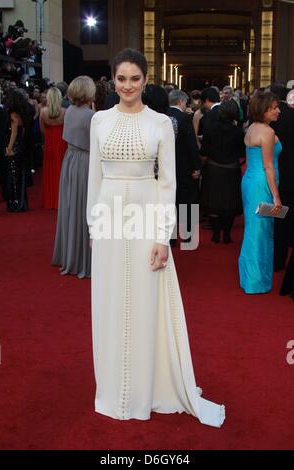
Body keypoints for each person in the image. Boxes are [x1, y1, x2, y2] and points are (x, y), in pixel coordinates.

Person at [87, 48, 225, 427]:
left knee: (146, 300)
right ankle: (114, 388)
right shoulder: (99, 121)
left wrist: (164, 237)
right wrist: (93, 225)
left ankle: (146, 388)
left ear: (145, 80)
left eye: (135, 78)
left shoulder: (161, 123)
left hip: (147, 212)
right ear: (112, 81)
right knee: (110, 301)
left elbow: (168, 183)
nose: (128, 85)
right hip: (110, 213)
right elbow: (94, 179)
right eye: (121, 78)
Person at [52, 76, 95, 279]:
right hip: (85, 163)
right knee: (84, 208)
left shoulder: (69, 111)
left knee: (72, 207)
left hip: (70, 160)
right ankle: (83, 259)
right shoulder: (90, 115)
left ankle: (69, 254)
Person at [239, 92, 282, 294]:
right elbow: (268, 166)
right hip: (262, 184)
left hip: (250, 181)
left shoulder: (251, 128)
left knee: (254, 228)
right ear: (264, 110)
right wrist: (276, 196)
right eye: (275, 107)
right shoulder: (266, 132)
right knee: (260, 231)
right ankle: (255, 281)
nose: (278, 110)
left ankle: (250, 277)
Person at [200, 99, 245, 243]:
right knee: (230, 204)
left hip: (213, 169)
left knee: (213, 203)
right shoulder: (238, 132)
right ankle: (226, 234)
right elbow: (242, 153)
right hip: (231, 170)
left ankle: (215, 233)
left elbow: (204, 150)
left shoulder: (210, 129)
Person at [167, 89, 202, 245]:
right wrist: (196, 167)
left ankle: (171, 237)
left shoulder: (161, 116)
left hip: (167, 166)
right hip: (184, 166)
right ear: (181, 102)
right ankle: (188, 236)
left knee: (170, 201)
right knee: (188, 201)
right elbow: (191, 145)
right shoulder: (184, 118)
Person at [270, 83, 294, 272]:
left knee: (279, 218)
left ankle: (277, 260)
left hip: (276, 175)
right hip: (289, 175)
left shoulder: (273, 118)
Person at [5, 90, 34, 212]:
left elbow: (14, 132)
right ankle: (22, 203)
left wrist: (9, 148)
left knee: (13, 176)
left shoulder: (13, 115)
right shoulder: (25, 113)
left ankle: (16, 203)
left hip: (15, 147)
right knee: (20, 175)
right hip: (23, 146)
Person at [40, 87, 67, 209]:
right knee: (61, 170)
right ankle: (62, 199)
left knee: (50, 171)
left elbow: (42, 130)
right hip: (61, 143)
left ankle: (50, 200)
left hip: (49, 143)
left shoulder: (43, 112)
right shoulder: (65, 112)